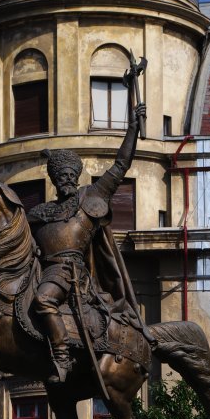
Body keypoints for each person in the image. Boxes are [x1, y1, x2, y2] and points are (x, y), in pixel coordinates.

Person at [27, 97, 147, 383]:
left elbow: (120, 166)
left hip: (70, 272)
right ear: (54, 180)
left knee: (43, 301)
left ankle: (61, 355)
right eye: (61, 176)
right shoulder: (40, 212)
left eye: (70, 175)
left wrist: (131, 128)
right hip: (39, 270)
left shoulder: (90, 198)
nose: (66, 179)